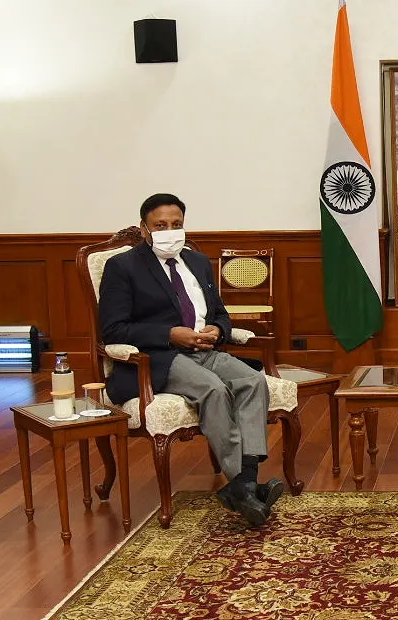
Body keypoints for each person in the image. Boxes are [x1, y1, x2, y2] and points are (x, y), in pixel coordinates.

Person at [98, 193, 282, 527]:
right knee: (213, 389)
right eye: (160, 225)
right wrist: (170, 334)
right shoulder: (123, 267)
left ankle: (244, 485)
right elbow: (113, 330)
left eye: (176, 224)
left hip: (204, 350)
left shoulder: (196, 261)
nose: (169, 231)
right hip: (158, 357)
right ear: (144, 228)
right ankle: (243, 485)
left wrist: (218, 329)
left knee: (252, 380)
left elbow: (221, 314)